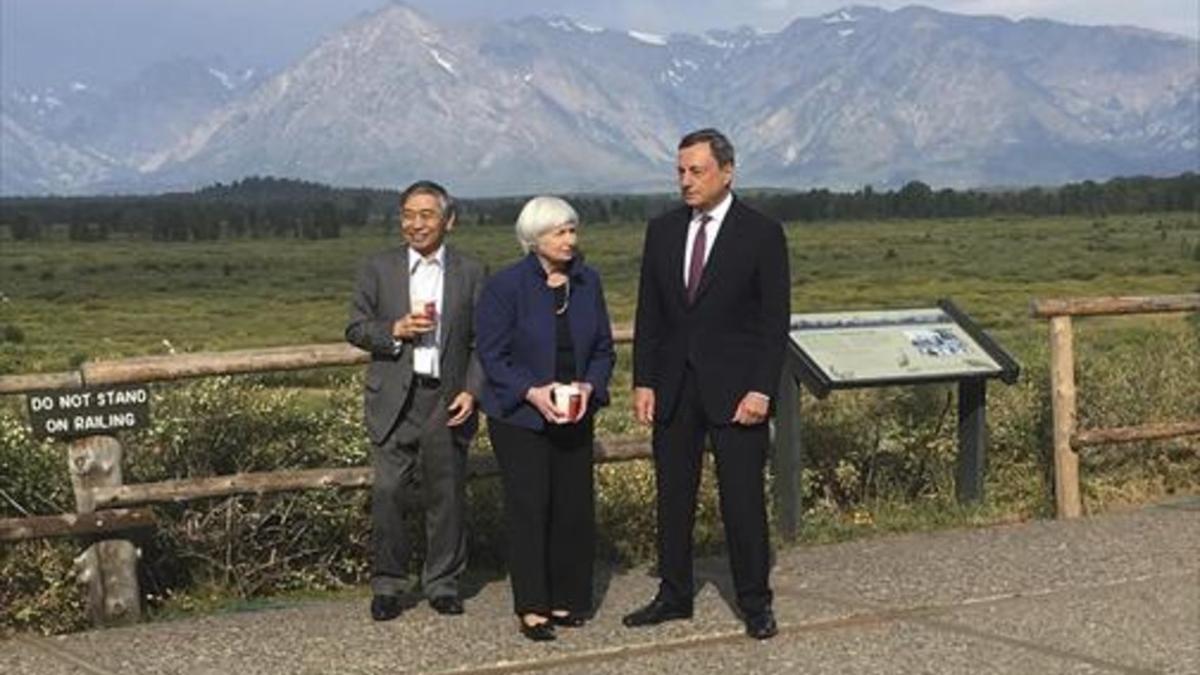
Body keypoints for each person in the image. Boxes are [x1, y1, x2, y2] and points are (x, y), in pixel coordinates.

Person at [624, 128, 790, 640]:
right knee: (673, 496)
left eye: (696, 171)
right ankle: (674, 594)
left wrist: (762, 389)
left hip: (737, 391)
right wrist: (644, 380)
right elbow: (649, 312)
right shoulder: (664, 231)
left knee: (741, 500)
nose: (685, 181)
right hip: (674, 387)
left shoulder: (761, 233)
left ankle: (754, 602)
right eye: (680, 171)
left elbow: (773, 321)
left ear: (727, 171)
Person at [475, 196, 615, 642]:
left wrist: (590, 387)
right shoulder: (505, 287)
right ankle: (532, 605)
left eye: (573, 230)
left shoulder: (588, 282)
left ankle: (568, 598)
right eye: (560, 232)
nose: (570, 240)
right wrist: (532, 393)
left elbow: (603, 349)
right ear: (535, 238)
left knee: (573, 507)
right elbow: (493, 356)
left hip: (575, 412)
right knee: (530, 507)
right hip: (521, 418)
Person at [345, 180, 486, 622]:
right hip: (392, 402)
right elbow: (355, 328)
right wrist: (394, 330)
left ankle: (442, 583)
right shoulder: (378, 268)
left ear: (449, 220)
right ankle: (388, 584)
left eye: (426, 215)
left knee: (446, 496)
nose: (415, 224)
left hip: (446, 399)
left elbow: (485, 341)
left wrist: (472, 389)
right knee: (387, 494)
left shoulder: (472, 271)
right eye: (408, 214)